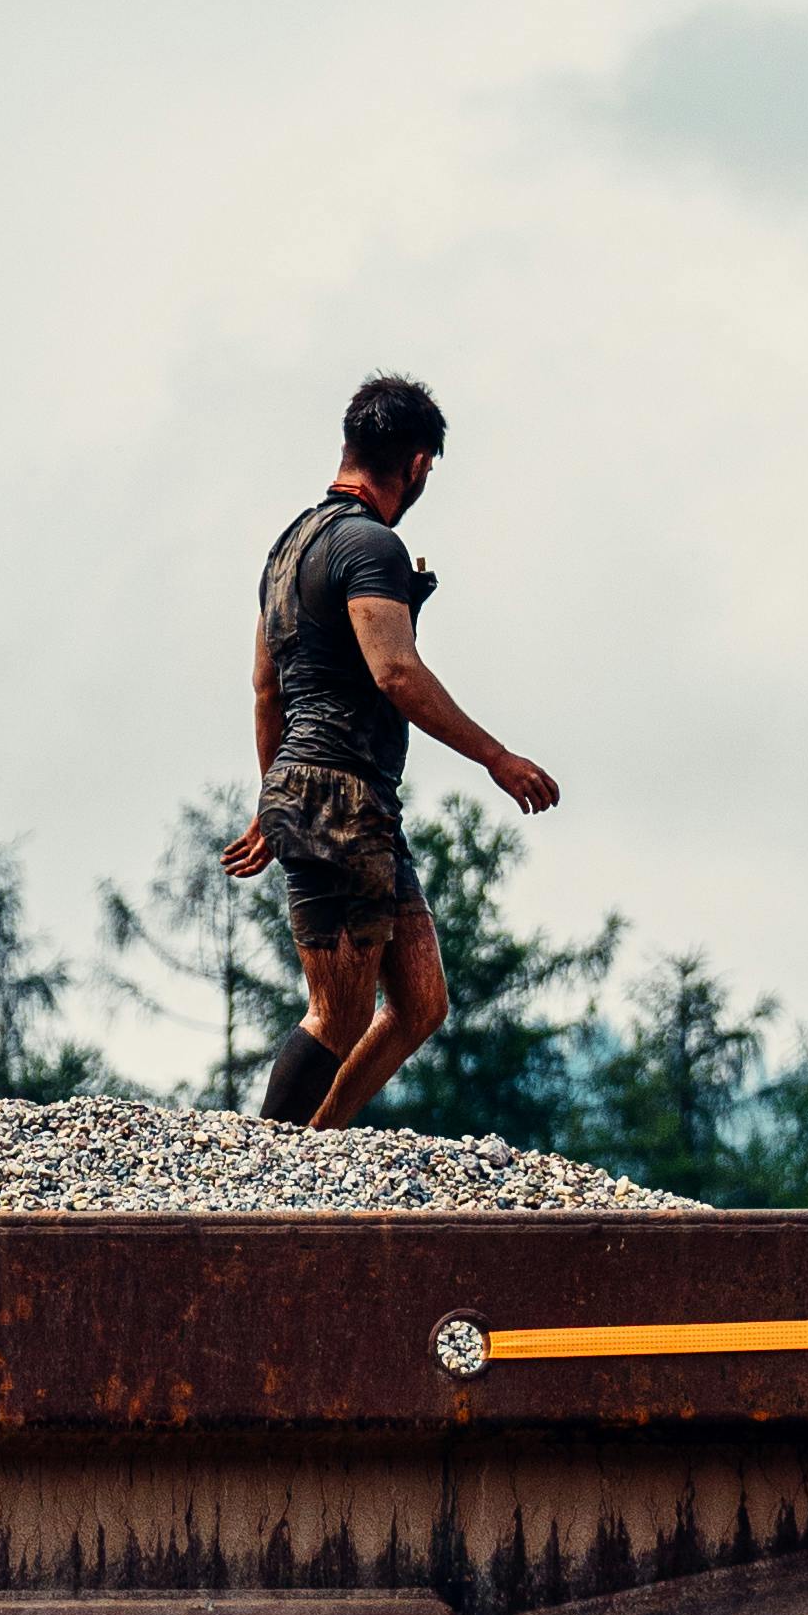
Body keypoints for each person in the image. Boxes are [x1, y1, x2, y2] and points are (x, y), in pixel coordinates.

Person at [221, 374, 560, 1127]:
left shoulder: (286, 552)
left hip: (341, 798)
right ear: (415, 464)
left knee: (420, 1004)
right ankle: (257, 1173)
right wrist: (497, 758)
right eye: (428, 472)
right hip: (338, 797)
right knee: (337, 1013)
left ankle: (313, 1146)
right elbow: (396, 670)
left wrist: (272, 802)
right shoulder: (370, 544)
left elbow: (266, 692)